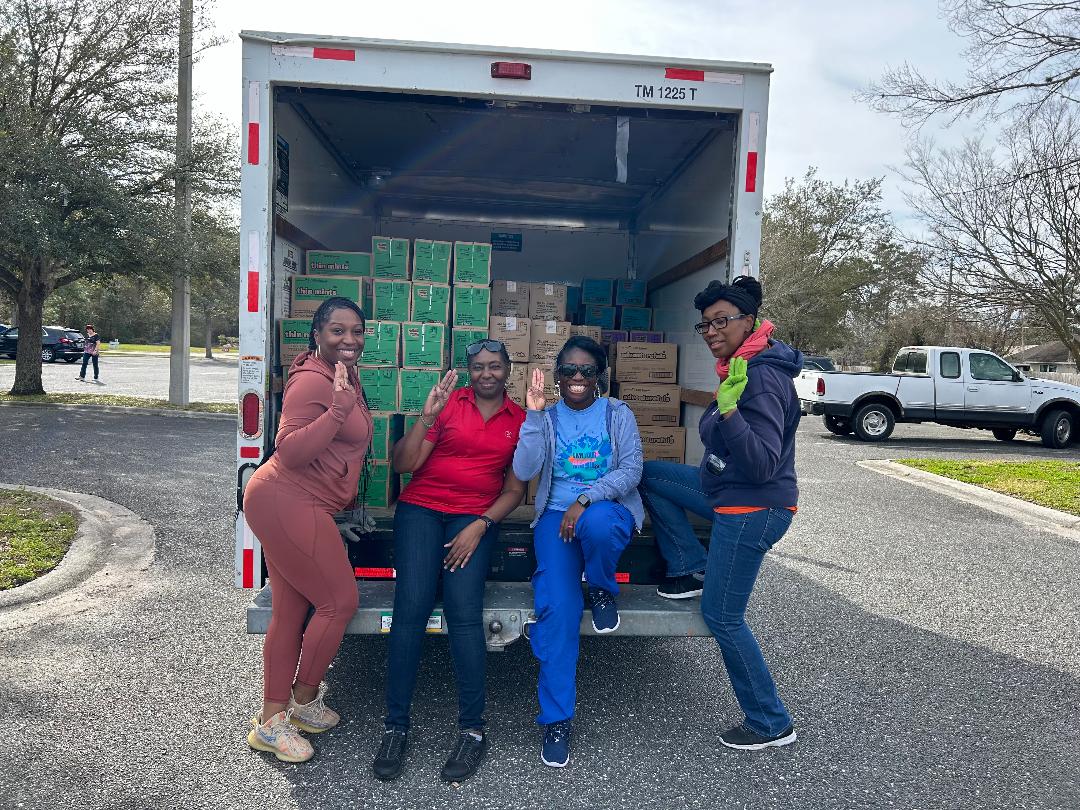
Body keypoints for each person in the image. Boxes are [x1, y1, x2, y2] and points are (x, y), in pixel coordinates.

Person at [639, 275, 803, 751]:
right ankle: (691, 566)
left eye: (721, 321)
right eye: (705, 324)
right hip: (724, 491)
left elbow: (762, 463)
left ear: (750, 322)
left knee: (723, 616)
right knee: (651, 474)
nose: (711, 331)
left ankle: (770, 722)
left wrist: (728, 414)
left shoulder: (763, 377)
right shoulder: (741, 366)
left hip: (754, 507)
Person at [372, 340, 526, 783]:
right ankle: (395, 726)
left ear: (507, 370)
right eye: (477, 367)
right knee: (412, 607)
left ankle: (473, 730)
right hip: (421, 508)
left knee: (463, 611)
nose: (486, 374)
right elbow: (402, 465)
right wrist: (426, 416)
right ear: (469, 371)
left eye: (494, 366)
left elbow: (514, 490)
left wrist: (480, 525)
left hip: (474, 516)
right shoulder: (448, 404)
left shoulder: (518, 420)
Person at [242, 297, 372, 763]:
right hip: (288, 499)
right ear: (317, 334)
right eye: (338, 331)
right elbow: (290, 450)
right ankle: (296, 704)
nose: (349, 340)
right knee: (340, 602)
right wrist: (336, 412)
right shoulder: (311, 383)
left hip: (291, 501)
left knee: (290, 611)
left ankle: (276, 720)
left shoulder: (339, 374)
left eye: (357, 331)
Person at [511, 335, 643, 768]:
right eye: (568, 370)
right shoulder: (546, 419)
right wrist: (532, 418)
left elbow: (631, 469)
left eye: (587, 370)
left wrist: (584, 500)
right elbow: (525, 470)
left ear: (600, 376)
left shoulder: (617, 414)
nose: (578, 378)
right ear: (557, 376)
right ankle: (556, 719)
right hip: (554, 518)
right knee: (558, 609)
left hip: (606, 510)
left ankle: (602, 588)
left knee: (600, 524)